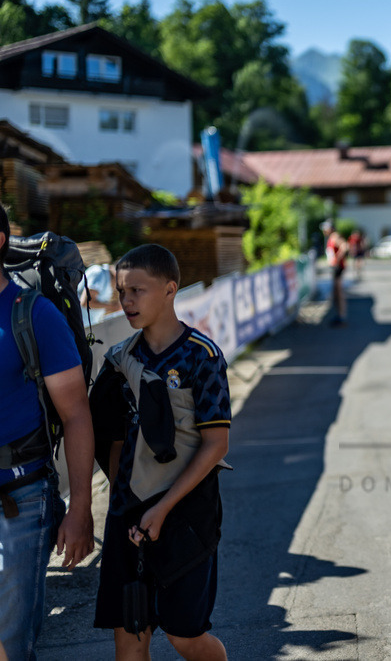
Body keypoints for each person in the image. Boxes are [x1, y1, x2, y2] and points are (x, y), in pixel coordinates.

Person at [91, 244, 230, 660]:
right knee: (130, 640)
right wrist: (124, 505)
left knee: (185, 635)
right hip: (129, 519)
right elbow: (111, 437)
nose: (127, 301)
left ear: (171, 289)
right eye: (121, 292)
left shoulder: (201, 357)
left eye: (138, 290)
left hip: (187, 515)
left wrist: (163, 507)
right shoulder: (119, 362)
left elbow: (216, 443)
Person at [0, 206, 95, 660]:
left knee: (11, 646)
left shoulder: (34, 316)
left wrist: (80, 510)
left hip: (21, 499)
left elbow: (76, 415)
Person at [79, 262, 120, 326]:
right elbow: (85, 302)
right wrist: (113, 306)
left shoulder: (108, 282)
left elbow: (98, 309)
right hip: (77, 326)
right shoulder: (99, 274)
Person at [323, 221, 348, 325]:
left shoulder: (335, 236)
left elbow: (345, 246)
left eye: (325, 228)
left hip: (338, 267)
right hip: (335, 267)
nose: (324, 231)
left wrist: (337, 259)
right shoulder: (331, 237)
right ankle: (339, 314)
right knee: (336, 291)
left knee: (339, 291)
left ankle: (342, 315)